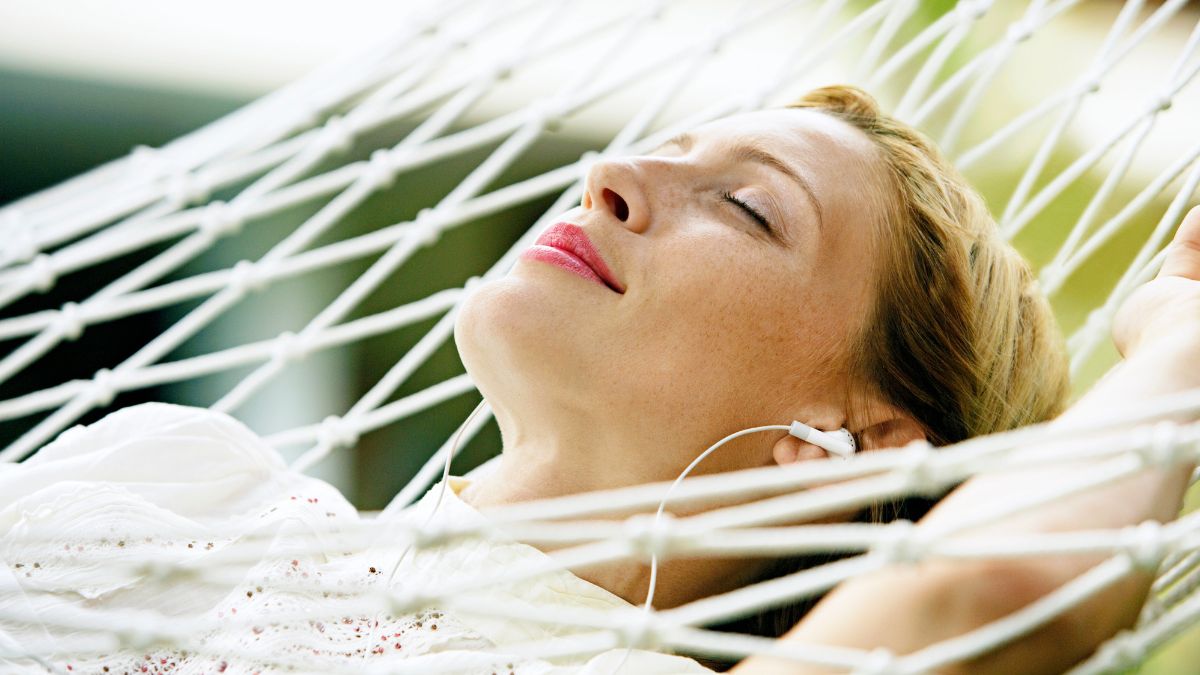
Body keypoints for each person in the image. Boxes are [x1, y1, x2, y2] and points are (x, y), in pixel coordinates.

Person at [0, 85, 1195, 674]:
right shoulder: (179, 492)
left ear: (859, 437)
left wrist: (1178, 341)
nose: (612, 176)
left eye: (743, 205)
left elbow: (994, 589)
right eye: (661, 147)